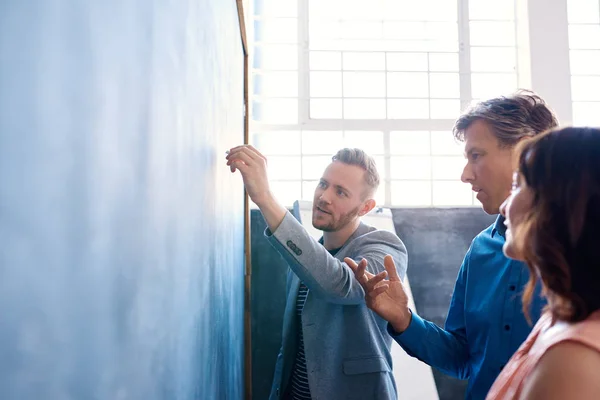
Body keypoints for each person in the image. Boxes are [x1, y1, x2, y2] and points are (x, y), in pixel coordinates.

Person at [347, 90, 559, 399]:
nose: (465, 175)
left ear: (525, 150)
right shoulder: (481, 250)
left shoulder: (584, 243)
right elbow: (463, 357)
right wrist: (404, 319)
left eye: (476, 155)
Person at [226, 146, 408, 400]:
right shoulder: (308, 257)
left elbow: (341, 284)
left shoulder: (384, 247)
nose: (324, 197)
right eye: (324, 184)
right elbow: (292, 347)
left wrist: (265, 197)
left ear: (365, 207)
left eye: (340, 192)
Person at [485, 127, 600, 399]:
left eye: (517, 186)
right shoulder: (559, 317)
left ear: (556, 204)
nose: (504, 207)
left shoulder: (573, 359)